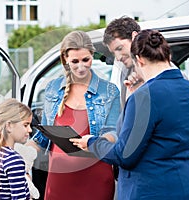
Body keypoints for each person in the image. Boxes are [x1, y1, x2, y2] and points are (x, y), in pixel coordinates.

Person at [71, 29, 189, 199]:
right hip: (188, 186)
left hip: (151, 191)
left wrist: (92, 142)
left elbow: (125, 155)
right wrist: (134, 96)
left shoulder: (145, 97)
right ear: (167, 56)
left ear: (139, 60)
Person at [26, 30, 121, 200]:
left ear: (92, 54)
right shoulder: (53, 88)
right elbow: (44, 137)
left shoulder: (109, 91)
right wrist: (23, 154)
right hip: (59, 179)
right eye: (74, 61)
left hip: (96, 177)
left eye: (86, 60)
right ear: (65, 60)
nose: (81, 66)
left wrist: (92, 141)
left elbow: (113, 132)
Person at [103, 16, 143, 107]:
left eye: (120, 48)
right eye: (113, 53)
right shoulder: (124, 72)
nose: (118, 58)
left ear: (134, 37)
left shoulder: (162, 69)